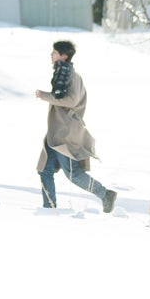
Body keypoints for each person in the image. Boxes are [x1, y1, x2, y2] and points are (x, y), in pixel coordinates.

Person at [35, 39, 117, 213]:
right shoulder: (61, 73)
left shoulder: (72, 75)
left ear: (63, 56)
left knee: (74, 174)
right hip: (56, 134)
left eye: (54, 52)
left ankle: (105, 194)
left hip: (66, 135)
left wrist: (45, 96)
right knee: (45, 170)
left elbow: (71, 100)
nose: (51, 55)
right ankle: (49, 208)